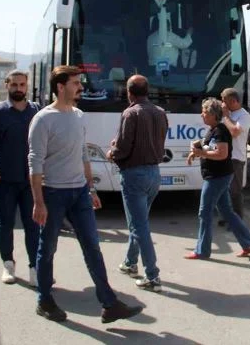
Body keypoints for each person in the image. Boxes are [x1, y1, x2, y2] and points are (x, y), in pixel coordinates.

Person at [28, 65, 142, 324]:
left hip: (79, 192)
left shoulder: (78, 115)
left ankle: (109, 304)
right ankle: (44, 301)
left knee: (92, 247)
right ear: (60, 87)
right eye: (75, 83)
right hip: (53, 193)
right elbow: (34, 163)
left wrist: (90, 189)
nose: (81, 87)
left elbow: (83, 154)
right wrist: (38, 202)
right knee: (48, 248)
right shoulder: (43, 119)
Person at [0, 71, 40, 286]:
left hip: (31, 180)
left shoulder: (36, 111)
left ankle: (35, 268)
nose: (18, 88)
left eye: (22, 84)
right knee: (6, 223)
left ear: (27, 86)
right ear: (7, 85)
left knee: (33, 225)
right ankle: (8, 264)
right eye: (14, 84)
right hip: (4, 179)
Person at [106, 75, 168, 293]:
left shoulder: (130, 113)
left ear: (129, 92)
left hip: (134, 174)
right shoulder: (160, 112)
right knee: (139, 222)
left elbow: (123, 148)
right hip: (154, 173)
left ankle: (152, 276)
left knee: (139, 226)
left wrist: (112, 152)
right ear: (148, 90)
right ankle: (130, 262)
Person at [184, 98, 250, 260]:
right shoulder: (214, 129)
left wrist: (200, 153)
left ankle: (202, 250)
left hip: (216, 177)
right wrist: (196, 149)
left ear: (212, 115)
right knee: (226, 211)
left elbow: (221, 154)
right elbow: (208, 145)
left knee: (204, 213)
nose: (201, 115)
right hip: (219, 175)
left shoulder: (220, 131)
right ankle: (248, 243)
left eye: (204, 112)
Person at [219, 88, 250, 219]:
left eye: (224, 101)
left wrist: (226, 117)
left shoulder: (244, 115)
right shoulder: (226, 114)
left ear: (233, 101)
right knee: (223, 190)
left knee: (235, 191)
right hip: (224, 156)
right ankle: (227, 217)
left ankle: (238, 220)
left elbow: (235, 132)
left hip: (236, 158)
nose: (222, 104)